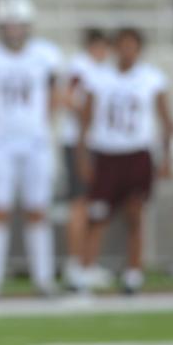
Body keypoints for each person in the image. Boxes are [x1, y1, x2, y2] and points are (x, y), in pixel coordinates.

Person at [0, 0, 61, 297]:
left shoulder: (45, 55)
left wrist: (41, 126)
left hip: (35, 142)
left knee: (38, 209)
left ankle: (44, 278)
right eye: (8, 26)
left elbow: (52, 94)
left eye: (18, 25)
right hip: (2, 142)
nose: (13, 31)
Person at [76, 28, 173, 294]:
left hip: (137, 152)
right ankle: (86, 272)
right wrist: (82, 156)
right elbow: (84, 120)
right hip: (107, 152)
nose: (126, 51)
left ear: (139, 49)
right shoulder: (99, 77)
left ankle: (133, 273)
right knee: (97, 215)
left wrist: (168, 158)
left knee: (135, 215)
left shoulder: (151, 78)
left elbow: (166, 121)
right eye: (122, 45)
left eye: (131, 46)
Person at [60, 28, 111, 290]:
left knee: (96, 205)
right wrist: (87, 112)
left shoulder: (105, 70)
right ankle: (75, 264)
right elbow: (66, 97)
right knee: (79, 203)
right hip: (78, 143)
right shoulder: (81, 66)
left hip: (99, 143)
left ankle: (88, 263)